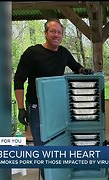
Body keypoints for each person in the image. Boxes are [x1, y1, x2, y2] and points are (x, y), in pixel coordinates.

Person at [14, 18, 93, 179]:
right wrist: (21, 108)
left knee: (58, 142)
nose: (56, 35)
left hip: (57, 107)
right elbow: (18, 80)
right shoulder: (32, 53)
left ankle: (59, 174)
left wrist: (83, 70)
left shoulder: (63, 53)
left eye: (59, 32)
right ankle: (46, 175)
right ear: (45, 33)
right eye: (53, 31)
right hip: (36, 107)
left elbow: (76, 67)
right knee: (41, 145)